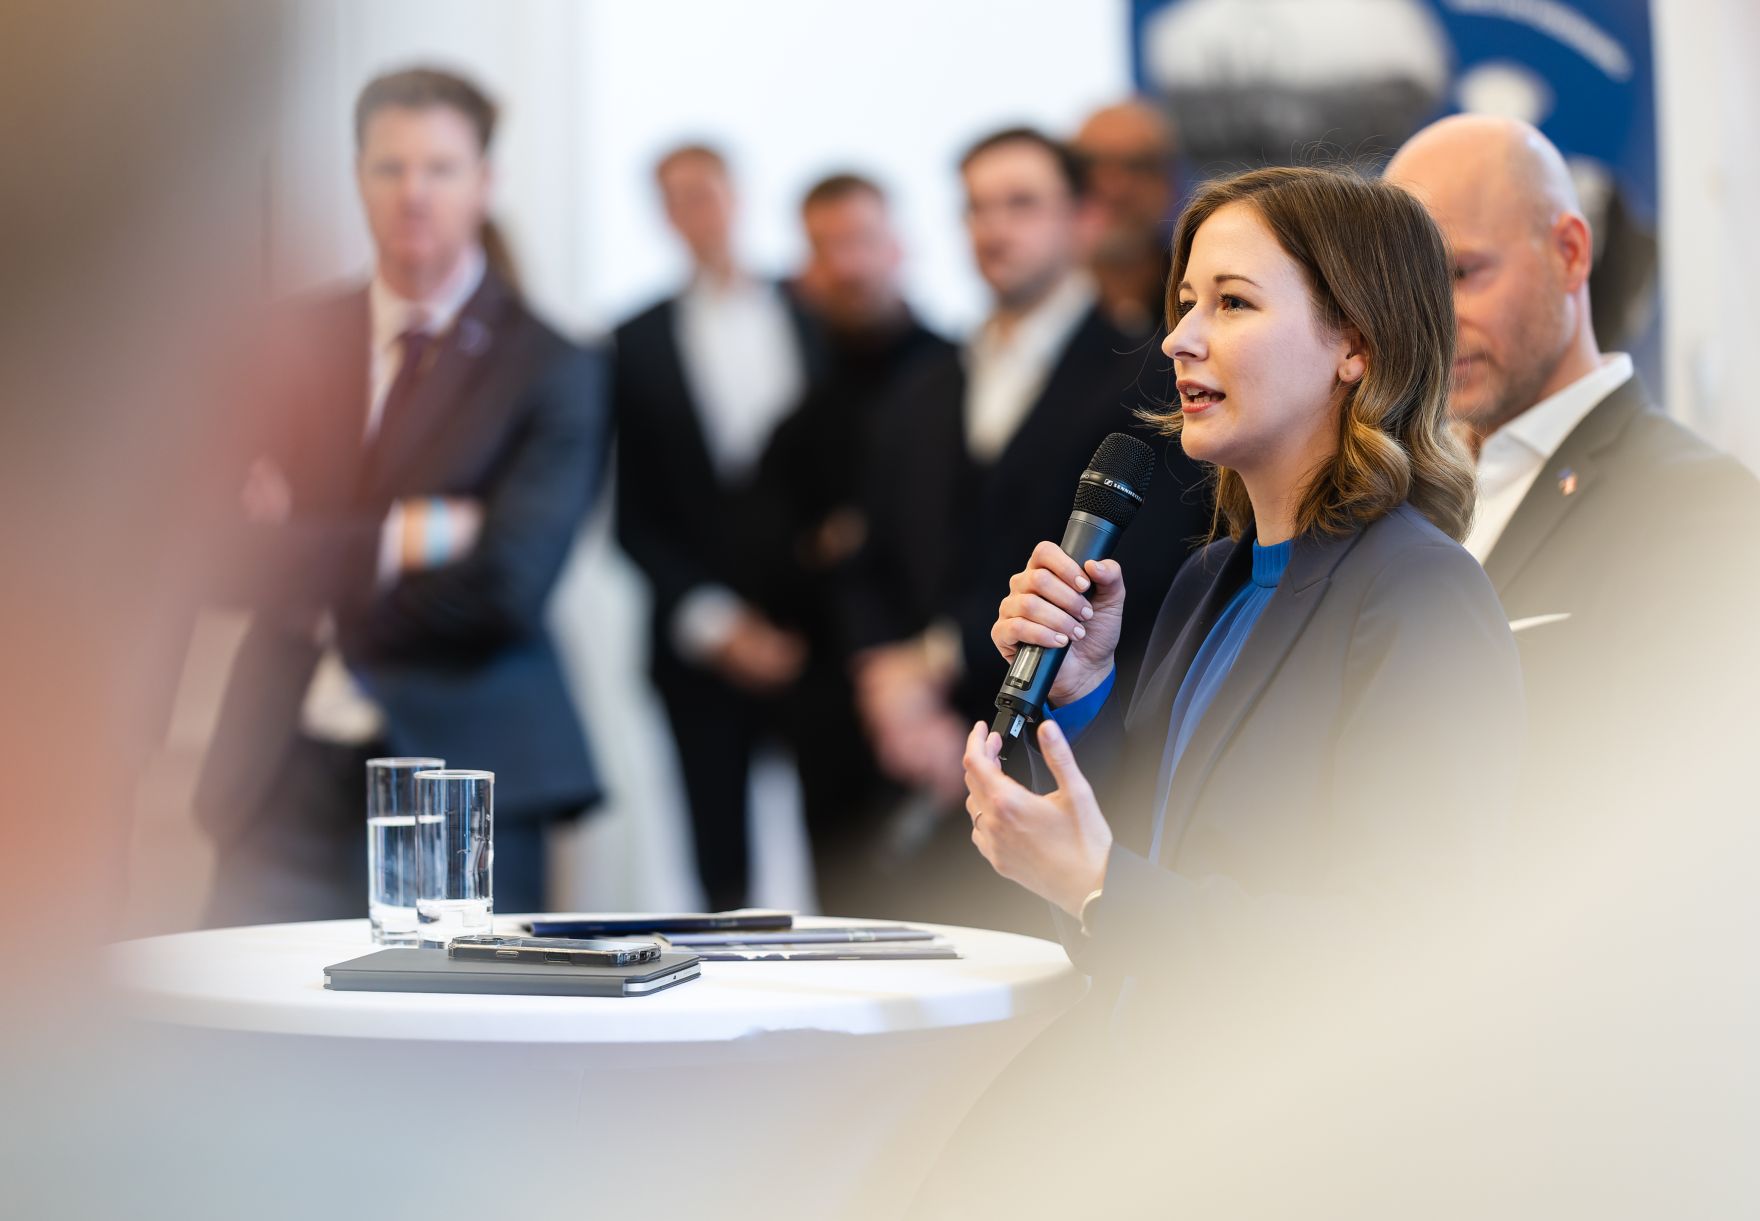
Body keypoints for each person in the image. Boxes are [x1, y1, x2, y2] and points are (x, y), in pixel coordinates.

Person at [919, 166, 1524, 1216]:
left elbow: (1408, 955)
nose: (1178, 340)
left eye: (1231, 303)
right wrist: (1085, 696)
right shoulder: (1210, 578)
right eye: (1184, 302)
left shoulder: (1421, 593)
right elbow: (1172, 843)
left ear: (1354, 348)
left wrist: (1101, 885)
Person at [197, 67, 607, 924]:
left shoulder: (553, 365)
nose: (414, 192)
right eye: (390, 167)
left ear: (485, 182)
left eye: (441, 167)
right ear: (358, 176)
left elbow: (509, 584)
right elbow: (216, 553)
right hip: (282, 769)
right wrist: (407, 538)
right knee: (244, 1045)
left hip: (465, 770)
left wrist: (305, 559)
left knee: (455, 1052)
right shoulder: (282, 344)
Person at [841, 127, 1210, 932]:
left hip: (1063, 756)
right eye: (976, 208)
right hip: (916, 765)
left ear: (1082, 219)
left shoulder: (1148, 376)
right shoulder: (927, 383)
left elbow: (1127, 570)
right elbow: (871, 559)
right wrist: (891, 695)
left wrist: (935, 664)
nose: (994, 229)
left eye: (1022, 204)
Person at [1384, 115, 1760, 833]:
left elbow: (1680, 826)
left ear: (1569, 252)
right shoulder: (1395, 503)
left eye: (1462, 274)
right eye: (1410, 296)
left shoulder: (1699, 508)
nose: (1435, 326)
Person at [612, 143, 824, 911]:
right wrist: (717, 625)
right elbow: (631, 514)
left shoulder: (812, 309)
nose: (694, 209)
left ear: (738, 195)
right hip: (700, 643)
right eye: (674, 197)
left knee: (846, 841)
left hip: (818, 630)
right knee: (717, 861)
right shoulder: (631, 342)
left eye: (705, 190)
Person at [747, 174, 954, 907]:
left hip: (951, 706)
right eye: (827, 248)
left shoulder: (957, 380)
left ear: (899, 247)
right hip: (831, 712)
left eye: (862, 240)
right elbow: (766, 557)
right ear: (805, 271)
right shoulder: (799, 420)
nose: (849, 265)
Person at [1069, 99, 1179, 336]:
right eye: (1090, 166)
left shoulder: (1199, 299)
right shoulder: (1042, 307)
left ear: (1167, 183)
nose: (1113, 186)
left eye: (1137, 166)